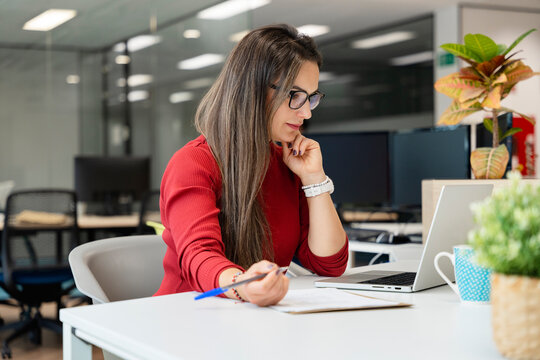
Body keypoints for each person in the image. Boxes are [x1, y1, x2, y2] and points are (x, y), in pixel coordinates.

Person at [155, 24, 348, 306]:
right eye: (295, 95)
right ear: (253, 89)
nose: (306, 112)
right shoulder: (194, 163)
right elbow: (199, 256)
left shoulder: (287, 164)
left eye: (311, 97)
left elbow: (330, 264)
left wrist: (314, 180)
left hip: (253, 319)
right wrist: (244, 286)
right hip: (188, 318)